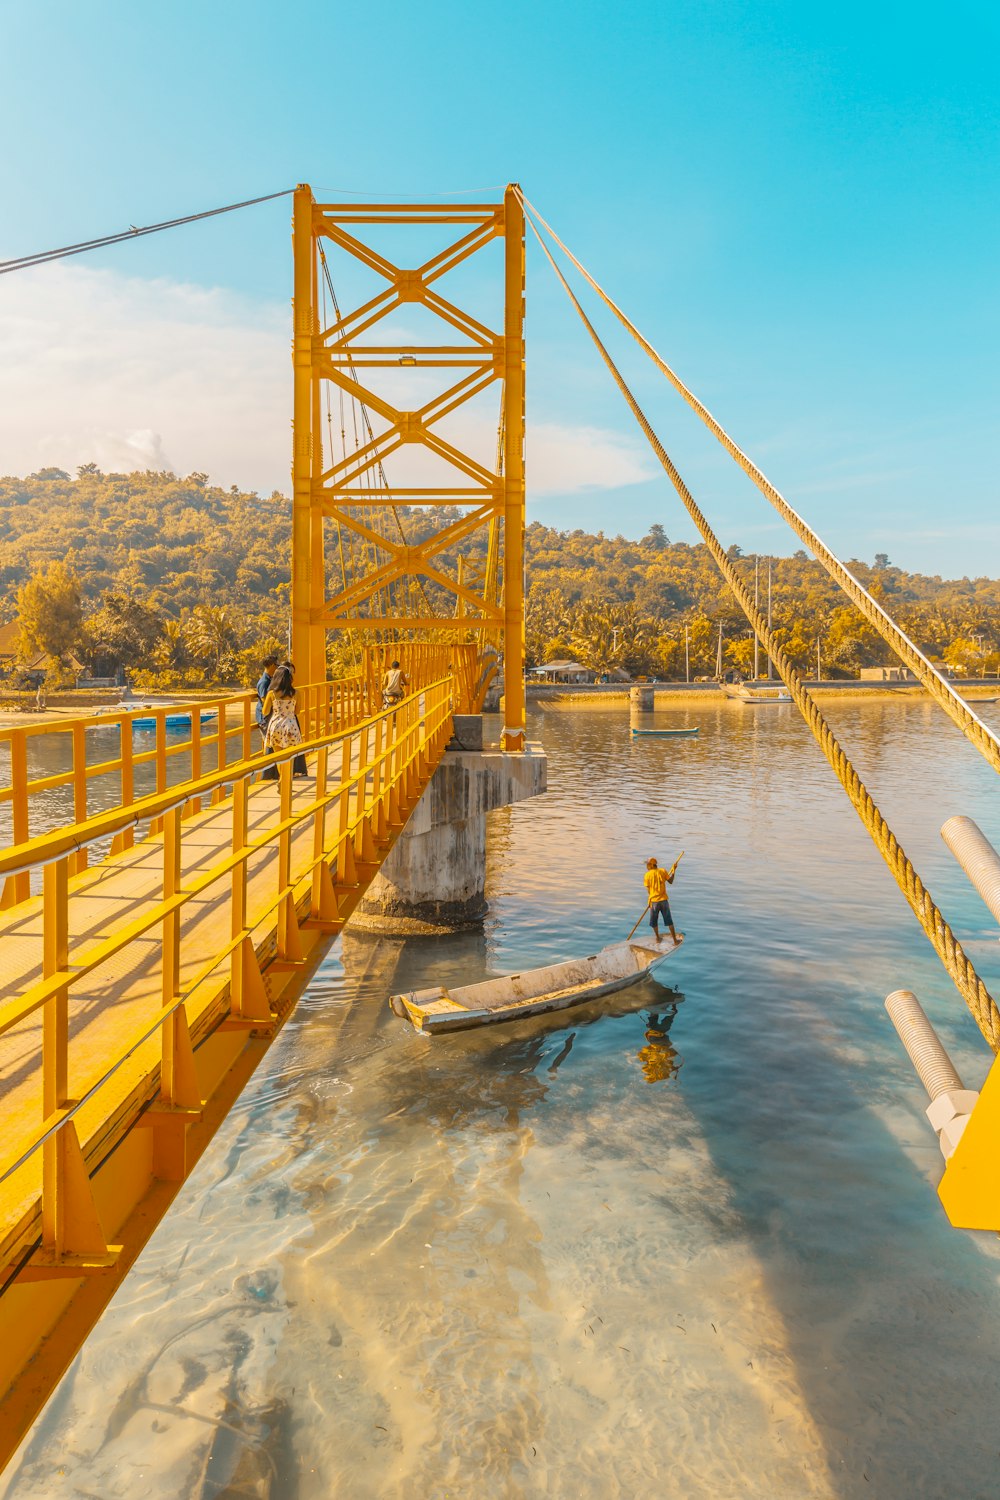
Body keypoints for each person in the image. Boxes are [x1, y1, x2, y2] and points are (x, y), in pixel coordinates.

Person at [261, 662, 308, 780]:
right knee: (289, 757)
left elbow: (265, 712)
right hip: (290, 725)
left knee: (278, 757)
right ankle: (284, 780)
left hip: (275, 725)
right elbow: (297, 711)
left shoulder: (272, 693)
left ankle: (282, 779)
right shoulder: (296, 693)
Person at [643, 856, 683, 945]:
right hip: (664, 901)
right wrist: (673, 871)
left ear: (652, 865)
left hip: (654, 902)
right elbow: (671, 881)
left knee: (654, 921)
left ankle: (657, 938)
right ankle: (675, 941)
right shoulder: (663, 871)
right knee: (669, 921)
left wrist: (650, 899)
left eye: (648, 864)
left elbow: (649, 891)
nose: (647, 866)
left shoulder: (647, 875)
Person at [255, 655, 278, 740]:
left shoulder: (270, 679)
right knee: (268, 742)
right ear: (272, 665)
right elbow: (265, 702)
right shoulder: (264, 682)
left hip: (270, 716)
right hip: (264, 718)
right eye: (276, 665)